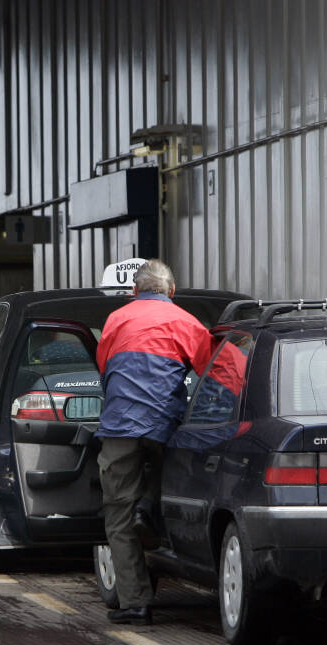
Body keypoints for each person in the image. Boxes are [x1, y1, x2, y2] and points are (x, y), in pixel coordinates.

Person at [95, 259, 212, 625]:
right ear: (171, 292)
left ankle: (135, 603)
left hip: (120, 427)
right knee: (173, 473)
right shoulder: (188, 323)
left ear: (134, 291)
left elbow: (104, 367)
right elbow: (214, 375)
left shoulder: (116, 320)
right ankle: (150, 506)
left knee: (117, 514)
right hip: (165, 426)